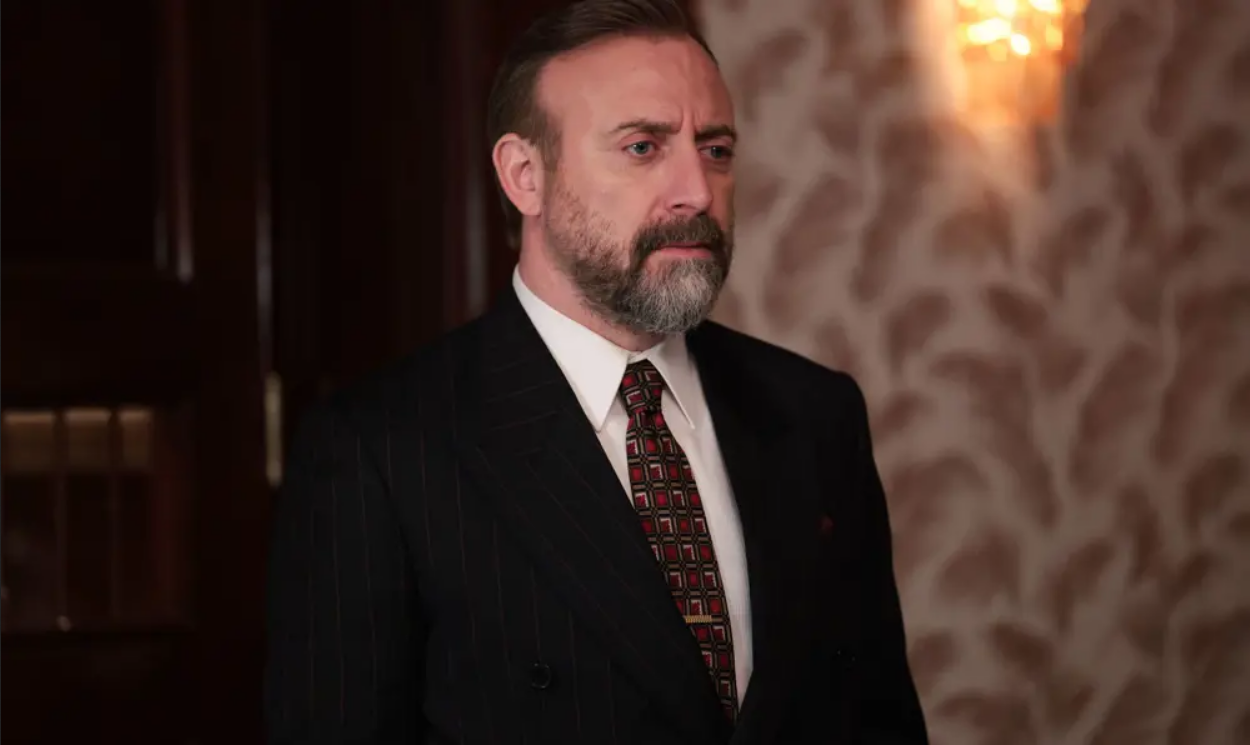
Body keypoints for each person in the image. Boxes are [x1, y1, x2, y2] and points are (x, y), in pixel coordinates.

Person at [263, 0, 928, 742]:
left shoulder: (815, 414)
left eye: (715, 149)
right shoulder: (379, 450)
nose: (697, 190)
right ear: (525, 176)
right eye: (643, 147)